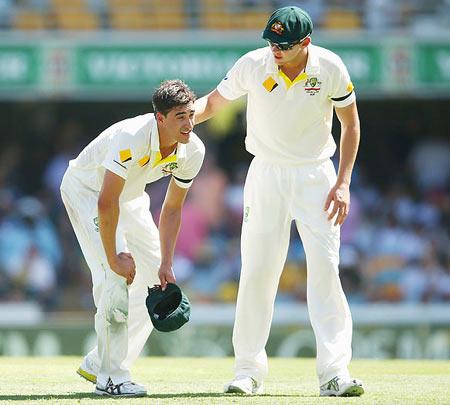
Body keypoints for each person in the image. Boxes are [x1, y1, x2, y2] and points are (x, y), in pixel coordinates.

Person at [195, 6, 364, 397]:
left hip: (315, 174)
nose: (275, 49)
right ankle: (247, 371)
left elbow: (350, 122)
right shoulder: (254, 64)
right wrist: (183, 120)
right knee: (257, 270)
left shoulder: (330, 66)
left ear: (305, 43)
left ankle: (334, 373)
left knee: (325, 269)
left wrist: (343, 182)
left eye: (284, 44)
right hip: (266, 172)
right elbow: (215, 103)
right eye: (271, 41)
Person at [60, 80, 205, 397]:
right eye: (180, 116)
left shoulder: (193, 151)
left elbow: (172, 209)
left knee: (157, 281)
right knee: (115, 279)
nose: (189, 124)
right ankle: (111, 378)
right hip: (88, 191)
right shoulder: (132, 138)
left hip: (131, 197)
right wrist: (114, 258)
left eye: (191, 114)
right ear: (160, 118)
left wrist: (166, 262)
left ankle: (101, 361)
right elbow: (105, 202)